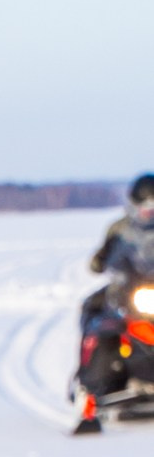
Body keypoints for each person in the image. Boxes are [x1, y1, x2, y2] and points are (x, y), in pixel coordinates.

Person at [75, 175, 154, 432]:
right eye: (146, 209)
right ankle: (92, 385)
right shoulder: (119, 228)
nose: (150, 214)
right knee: (100, 319)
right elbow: (101, 260)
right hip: (129, 289)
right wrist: (102, 258)